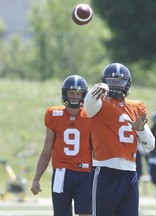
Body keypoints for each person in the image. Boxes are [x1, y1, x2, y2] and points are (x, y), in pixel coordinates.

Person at [83, 62, 155, 216]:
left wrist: (140, 130)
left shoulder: (136, 107)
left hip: (130, 173)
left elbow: (150, 144)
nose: (116, 86)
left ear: (127, 84)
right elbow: (88, 104)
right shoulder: (99, 103)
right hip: (105, 171)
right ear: (105, 82)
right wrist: (98, 88)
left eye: (120, 82)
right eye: (112, 82)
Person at [31, 75, 92, 216]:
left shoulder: (91, 116)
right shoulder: (53, 114)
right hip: (61, 173)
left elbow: (96, 149)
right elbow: (47, 151)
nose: (75, 96)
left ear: (84, 95)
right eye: (71, 93)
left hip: (85, 174)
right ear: (65, 93)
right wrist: (36, 178)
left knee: (86, 213)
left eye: (78, 93)